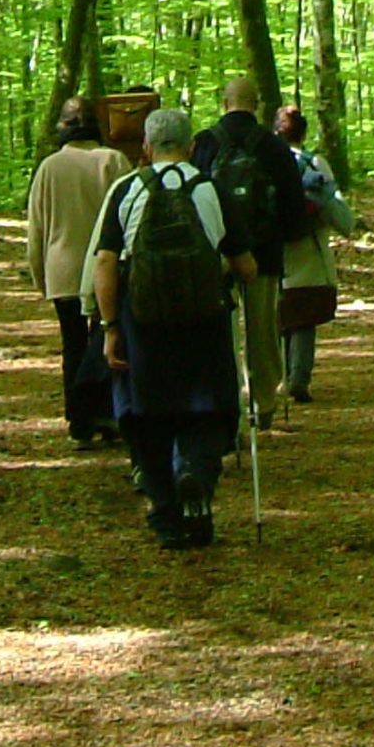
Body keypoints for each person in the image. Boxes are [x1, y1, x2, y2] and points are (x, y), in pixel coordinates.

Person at [95, 107, 260, 550]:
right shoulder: (210, 188)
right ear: (190, 147)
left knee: (146, 414)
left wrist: (110, 326)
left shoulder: (127, 191)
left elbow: (106, 262)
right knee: (207, 407)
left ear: (146, 149)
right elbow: (245, 266)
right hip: (203, 319)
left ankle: (165, 513)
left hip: (142, 320)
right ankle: (197, 477)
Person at [190, 77, 308, 430]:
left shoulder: (204, 144)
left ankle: (226, 403)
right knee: (262, 329)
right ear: (256, 104)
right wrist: (284, 240)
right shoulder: (274, 147)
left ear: (223, 103)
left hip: (217, 253)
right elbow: (293, 205)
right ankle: (264, 401)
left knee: (221, 331)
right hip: (265, 253)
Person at [26, 99, 122, 446]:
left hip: (62, 269)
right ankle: (107, 414)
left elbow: (35, 230)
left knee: (74, 346)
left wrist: (40, 276)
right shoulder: (113, 161)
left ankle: (79, 423)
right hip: (104, 270)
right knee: (106, 342)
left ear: (63, 126)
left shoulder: (50, 167)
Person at [274, 105, 356, 405]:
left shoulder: (267, 163)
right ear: (303, 133)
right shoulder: (314, 162)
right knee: (304, 320)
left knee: (280, 316)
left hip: (274, 251)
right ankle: (299, 377)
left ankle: (281, 377)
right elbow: (335, 205)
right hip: (308, 248)